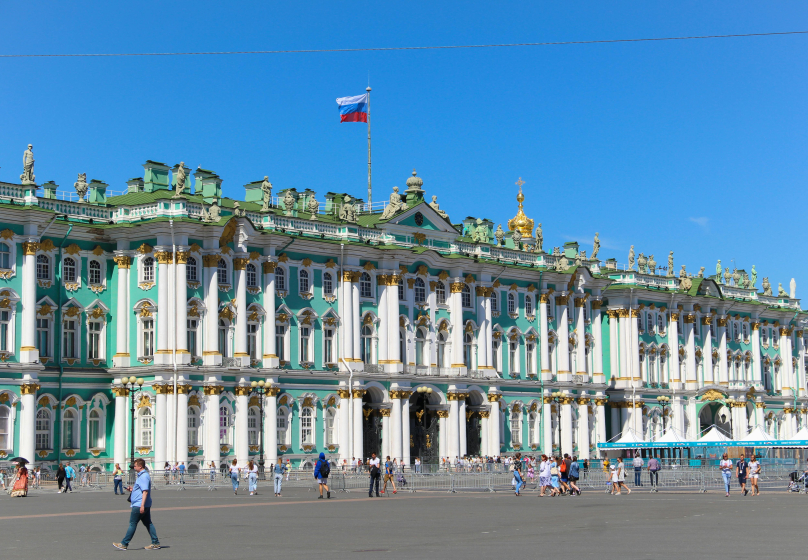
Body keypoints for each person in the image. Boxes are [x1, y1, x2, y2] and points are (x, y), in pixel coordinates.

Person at [113, 458, 160, 550]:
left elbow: (145, 491)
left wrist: (142, 505)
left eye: (135, 466)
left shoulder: (144, 476)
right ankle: (155, 542)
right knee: (148, 523)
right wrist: (132, 490)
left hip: (139, 504)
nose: (133, 467)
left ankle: (124, 543)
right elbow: (141, 489)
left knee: (132, 523)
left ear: (140, 466)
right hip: (142, 504)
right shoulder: (142, 476)